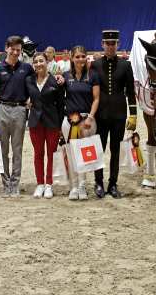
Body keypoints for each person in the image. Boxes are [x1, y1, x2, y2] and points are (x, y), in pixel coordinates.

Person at [91, 30, 137, 199]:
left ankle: (113, 183)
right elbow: (92, 91)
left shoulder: (126, 65)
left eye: (113, 44)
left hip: (119, 114)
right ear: (103, 44)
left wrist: (133, 114)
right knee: (99, 149)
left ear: (118, 44)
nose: (110, 47)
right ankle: (98, 182)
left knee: (115, 150)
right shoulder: (95, 65)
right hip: (100, 115)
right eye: (107, 43)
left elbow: (131, 91)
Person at [0, 35, 34, 196]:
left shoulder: (27, 69)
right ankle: (5, 183)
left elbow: (33, 88)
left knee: (17, 149)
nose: (15, 52)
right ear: (6, 48)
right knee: (2, 149)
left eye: (18, 50)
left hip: (20, 110)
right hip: (1, 109)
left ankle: (15, 183)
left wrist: (29, 99)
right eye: (12, 49)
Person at [61, 46, 99, 200]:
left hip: (87, 121)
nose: (81, 59)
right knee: (70, 154)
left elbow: (96, 99)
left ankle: (82, 185)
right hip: (69, 121)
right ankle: (73, 186)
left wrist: (90, 117)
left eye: (83, 56)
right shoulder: (65, 76)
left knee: (85, 154)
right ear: (72, 58)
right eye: (77, 56)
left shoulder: (92, 76)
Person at [26, 52, 64, 199]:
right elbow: (24, 96)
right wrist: (26, 102)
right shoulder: (29, 80)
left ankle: (49, 184)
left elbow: (61, 105)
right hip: (35, 122)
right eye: (35, 62)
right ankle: (39, 183)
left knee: (51, 154)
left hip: (52, 122)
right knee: (38, 154)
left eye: (41, 61)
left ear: (47, 62)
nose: (38, 64)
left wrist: (60, 126)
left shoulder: (56, 81)